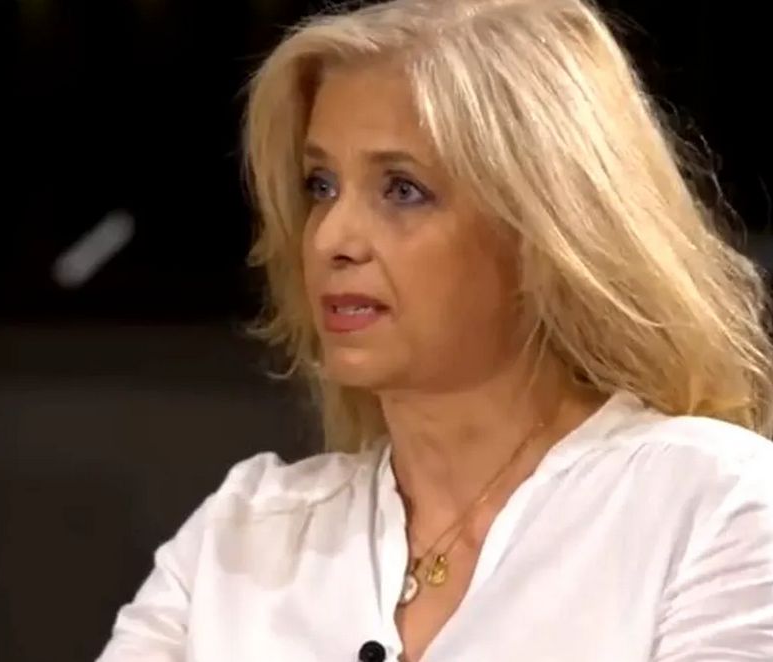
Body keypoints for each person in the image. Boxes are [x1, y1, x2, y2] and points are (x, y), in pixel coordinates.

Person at [97, 0, 773, 659]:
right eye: (321, 186)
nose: (331, 239)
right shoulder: (244, 535)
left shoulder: (713, 507)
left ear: (542, 229)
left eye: (402, 190)